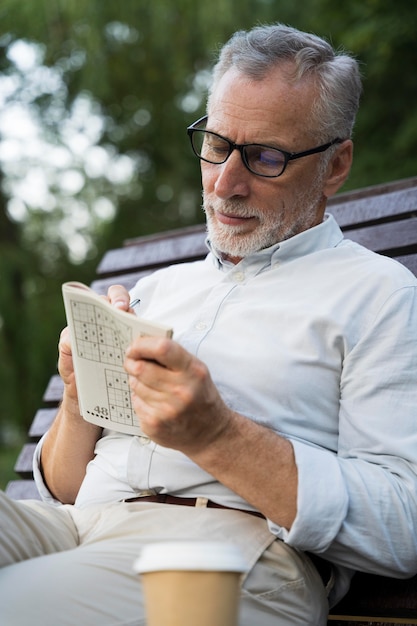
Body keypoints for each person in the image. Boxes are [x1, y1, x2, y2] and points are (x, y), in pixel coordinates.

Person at [1, 22, 417, 626]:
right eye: (217, 145)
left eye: (265, 157)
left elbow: (403, 523)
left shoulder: (380, 295)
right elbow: (64, 489)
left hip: (222, 553)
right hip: (71, 524)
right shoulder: (158, 289)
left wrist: (215, 434)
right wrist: (77, 395)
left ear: (334, 165)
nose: (225, 182)